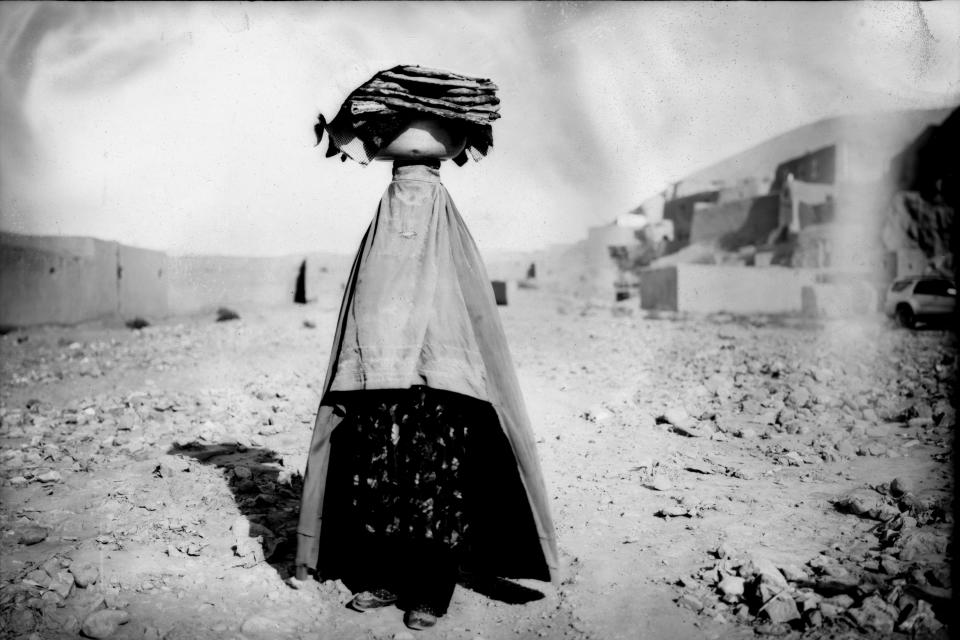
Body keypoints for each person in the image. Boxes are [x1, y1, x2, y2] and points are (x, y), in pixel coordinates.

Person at [295, 115, 558, 630]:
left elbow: (462, 328)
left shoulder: (450, 246)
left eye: (419, 192)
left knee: (437, 481)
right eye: (399, 194)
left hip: (440, 390)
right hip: (385, 387)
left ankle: (432, 592)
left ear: (439, 193)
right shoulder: (379, 245)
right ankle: (387, 577)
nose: (407, 205)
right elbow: (365, 318)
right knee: (380, 475)